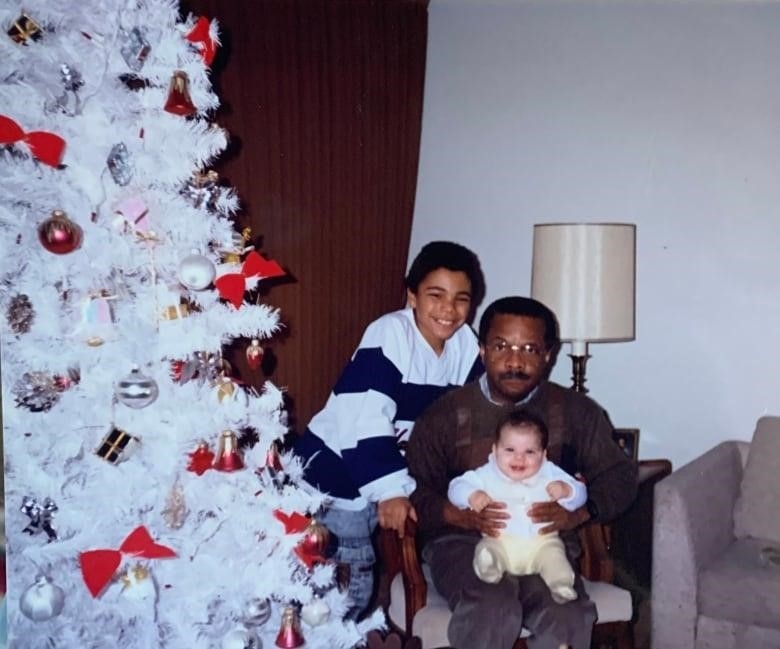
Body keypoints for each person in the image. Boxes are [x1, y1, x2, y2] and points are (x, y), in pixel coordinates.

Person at [406, 296, 637, 649]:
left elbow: (619, 476)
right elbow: (414, 490)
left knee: (567, 614)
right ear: (482, 350)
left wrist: (580, 513)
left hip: (544, 543)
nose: (515, 361)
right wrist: (460, 515)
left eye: (529, 349)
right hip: (464, 544)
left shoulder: (576, 412)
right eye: (501, 346)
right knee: (493, 606)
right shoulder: (444, 416)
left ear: (547, 355)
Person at [293, 241, 485, 619]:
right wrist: (391, 491)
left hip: (378, 478)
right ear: (411, 295)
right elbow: (364, 416)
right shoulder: (390, 333)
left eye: (461, 299)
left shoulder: (464, 344)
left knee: (351, 587)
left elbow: (475, 416)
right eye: (436, 295)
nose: (449, 309)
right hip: (334, 478)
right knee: (346, 588)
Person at [448, 408, 587, 603]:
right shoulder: (486, 474)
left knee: (555, 557)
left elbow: (580, 492)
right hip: (500, 541)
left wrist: (567, 491)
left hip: (542, 544)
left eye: (530, 451)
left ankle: (561, 585)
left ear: (543, 455)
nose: (519, 458)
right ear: (495, 450)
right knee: (487, 549)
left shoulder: (550, 473)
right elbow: (455, 487)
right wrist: (471, 495)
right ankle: (490, 568)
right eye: (510, 450)